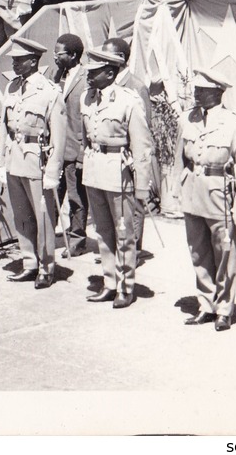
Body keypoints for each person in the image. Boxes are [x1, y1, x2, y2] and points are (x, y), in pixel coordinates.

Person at [80, 39, 153, 308]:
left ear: (110, 73)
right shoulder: (85, 98)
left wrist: (142, 187)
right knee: (103, 231)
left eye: (93, 71)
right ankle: (109, 283)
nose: (88, 75)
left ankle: (125, 286)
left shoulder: (129, 100)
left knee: (123, 234)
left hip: (118, 173)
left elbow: (142, 147)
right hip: (95, 170)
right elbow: (86, 139)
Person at [0, 37, 66, 289]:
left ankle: (47, 267)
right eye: (13, 59)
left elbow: (58, 136)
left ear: (33, 61)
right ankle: (29, 262)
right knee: (22, 215)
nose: (14, 63)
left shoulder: (50, 92)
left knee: (43, 216)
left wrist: (53, 171)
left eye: (19, 60)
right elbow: (4, 128)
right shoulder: (12, 88)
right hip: (14, 159)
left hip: (37, 161)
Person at [179, 69, 236, 331]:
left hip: (219, 194)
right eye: (196, 89)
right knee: (198, 252)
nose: (196, 93)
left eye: (202, 90)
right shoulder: (188, 118)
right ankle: (206, 304)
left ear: (218, 92)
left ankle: (224, 308)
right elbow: (179, 158)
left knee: (224, 254)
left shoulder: (232, 122)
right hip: (192, 191)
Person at [51, 34, 89, 258]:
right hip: (57, 148)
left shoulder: (86, 78)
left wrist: (83, 150)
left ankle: (77, 241)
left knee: (76, 198)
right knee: (54, 193)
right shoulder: (59, 76)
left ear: (73, 55)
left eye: (60, 54)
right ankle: (49, 234)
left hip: (75, 149)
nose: (55, 56)